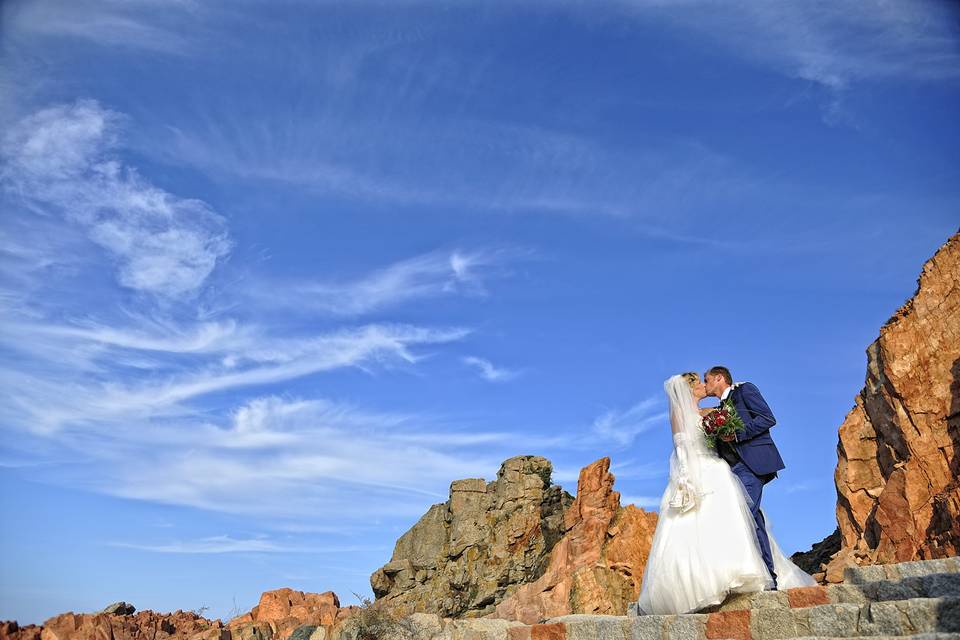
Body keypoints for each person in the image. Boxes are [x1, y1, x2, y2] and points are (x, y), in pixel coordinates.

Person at [636, 373, 813, 615]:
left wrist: (733, 411)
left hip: (720, 469)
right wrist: (686, 477)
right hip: (696, 472)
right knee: (710, 523)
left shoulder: (711, 412)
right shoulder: (680, 415)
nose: (702, 386)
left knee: (736, 517)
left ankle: (753, 572)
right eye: (698, 383)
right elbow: (681, 446)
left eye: (704, 380)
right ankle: (709, 581)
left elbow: (738, 417)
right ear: (689, 390)